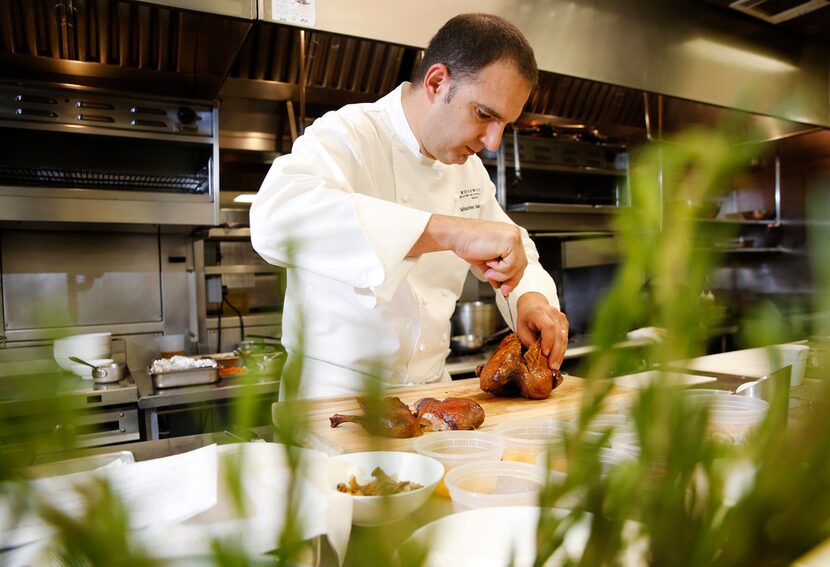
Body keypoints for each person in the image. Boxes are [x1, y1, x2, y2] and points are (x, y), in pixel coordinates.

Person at [250, 13, 569, 399]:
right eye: (484, 115)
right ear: (436, 82)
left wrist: (529, 298)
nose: (492, 142)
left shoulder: (468, 174)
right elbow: (274, 221)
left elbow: (512, 251)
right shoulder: (349, 135)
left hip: (432, 398)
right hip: (332, 402)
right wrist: (448, 231)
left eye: (505, 124)